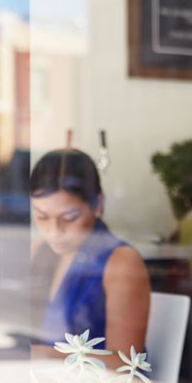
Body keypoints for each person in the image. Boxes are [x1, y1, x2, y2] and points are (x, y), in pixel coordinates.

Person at [30, 149, 151, 369]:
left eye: (69, 218)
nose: (54, 231)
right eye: (41, 216)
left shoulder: (121, 263)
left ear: (98, 205)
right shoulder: (39, 251)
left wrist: (44, 357)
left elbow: (125, 367)